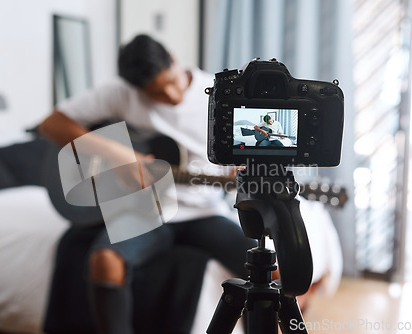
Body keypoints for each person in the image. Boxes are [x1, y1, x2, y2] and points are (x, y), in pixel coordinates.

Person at [38, 34, 256, 334]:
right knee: (104, 260)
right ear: (137, 88)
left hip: (203, 212)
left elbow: (243, 157)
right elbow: (51, 124)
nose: (171, 95)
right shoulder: (121, 93)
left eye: (172, 81)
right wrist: (118, 154)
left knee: (270, 269)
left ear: (174, 58)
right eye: (157, 92)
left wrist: (240, 173)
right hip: (146, 211)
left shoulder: (220, 93)